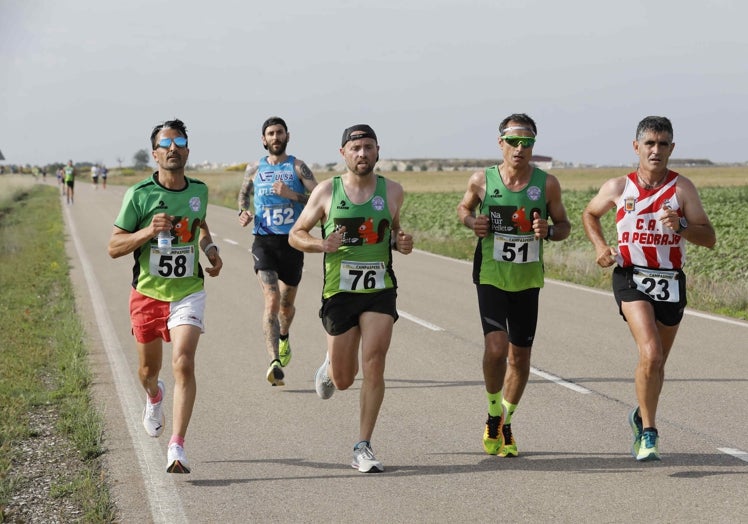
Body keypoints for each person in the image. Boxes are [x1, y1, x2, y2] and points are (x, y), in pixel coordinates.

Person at [582, 116, 716, 462]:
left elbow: (709, 238)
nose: (656, 151)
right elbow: (590, 215)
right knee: (652, 353)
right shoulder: (618, 187)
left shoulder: (682, 189)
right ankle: (650, 433)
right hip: (631, 277)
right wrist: (600, 248)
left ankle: (639, 415)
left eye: (663, 144)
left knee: (655, 364)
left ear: (672, 148)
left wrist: (682, 224)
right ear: (636, 147)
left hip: (670, 281)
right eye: (650, 144)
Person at [289, 124, 413, 473]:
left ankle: (363, 445)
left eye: (368, 147)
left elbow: (393, 232)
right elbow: (296, 235)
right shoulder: (328, 192)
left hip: (379, 289)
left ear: (378, 151)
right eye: (355, 147)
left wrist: (401, 243)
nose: (362, 153)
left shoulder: (393, 191)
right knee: (344, 379)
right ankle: (330, 367)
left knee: (374, 360)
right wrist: (319, 244)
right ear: (343, 153)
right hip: (340, 291)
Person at [107, 118, 223, 474]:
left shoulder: (199, 191)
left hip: (188, 291)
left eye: (180, 141)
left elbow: (201, 227)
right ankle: (154, 396)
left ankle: (177, 446)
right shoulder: (138, 195)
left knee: (183, 362)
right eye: (166, 143)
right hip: (147, 294)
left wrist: (211, 249)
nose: (174, 147)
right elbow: (113, 247)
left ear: (188, 149)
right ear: (155, 154)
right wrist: (147, 231)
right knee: (148, 371)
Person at [456, 113, 571, 458]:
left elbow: (563, 224)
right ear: (500, 143)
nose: (520, 148)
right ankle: (493, 412)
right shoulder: (482, 179)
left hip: (527, 278)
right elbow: (464, 208)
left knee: (520, 358)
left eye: (527, 142)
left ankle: (506, 421)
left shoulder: (546, 183)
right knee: (496, 348)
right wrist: (471, 222)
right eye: (513, 141)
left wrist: (548, 231)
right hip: (491, 274)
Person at [237, 117, 318, 386]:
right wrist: (243, 211)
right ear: (263, 139)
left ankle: (284, 336)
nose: (275, 137)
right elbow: (244, 193)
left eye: (279, 132)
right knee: (271, 300)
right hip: (264, 241)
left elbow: (320, 200)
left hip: (293, 242)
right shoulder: (254, 168)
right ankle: (273, 362)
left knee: (286, 305)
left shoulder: (298, 167)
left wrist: (291, 195)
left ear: (287, 136)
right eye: (270, 133)